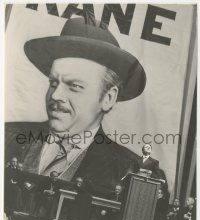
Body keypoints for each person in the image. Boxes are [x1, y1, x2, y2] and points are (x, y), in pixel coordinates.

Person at [5, 17, 146, 196]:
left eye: (75, 86)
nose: (55, 95)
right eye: (54, 82)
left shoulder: (130, 173)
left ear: (108, 98)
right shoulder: (6, 137)